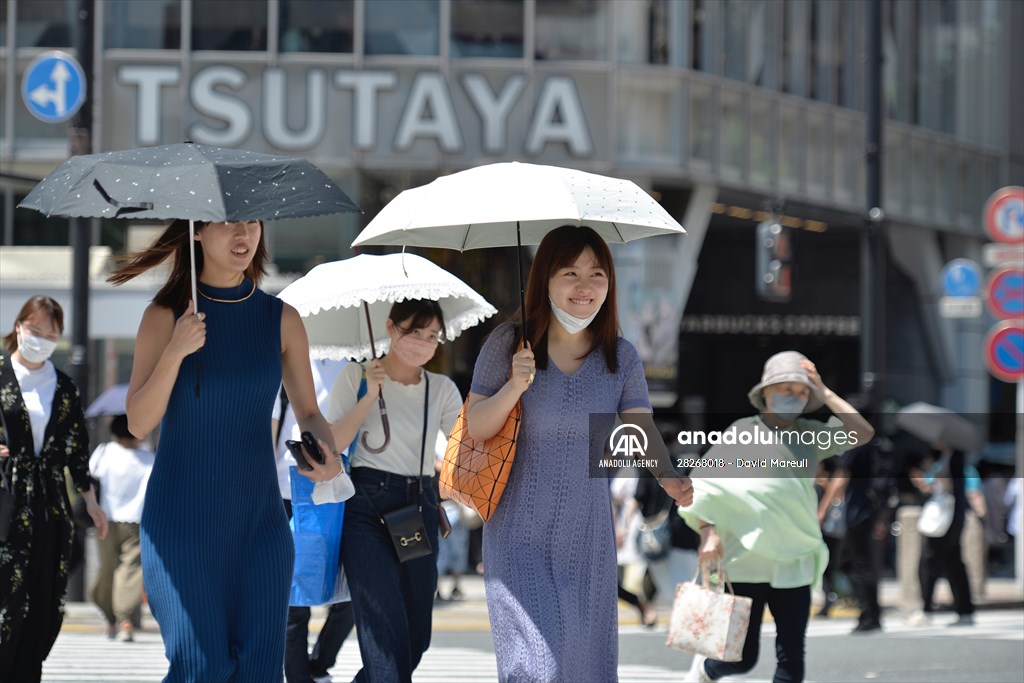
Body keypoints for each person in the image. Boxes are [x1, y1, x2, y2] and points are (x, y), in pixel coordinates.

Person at [108, 220, 342, 682]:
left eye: (252, 223)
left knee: (257, 672)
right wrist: (176, 351)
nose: (244, 234)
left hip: (259, 524)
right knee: (203, 667)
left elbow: (310, 413)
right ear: (196, 231)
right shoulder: (164, 316)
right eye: (228, 222)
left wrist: (327, 457)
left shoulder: (281, 317)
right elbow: (138, 421)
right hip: (181, 522)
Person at [464, 225, 692, 682]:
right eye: (570, 272)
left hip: (586, 536)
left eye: (597, 273)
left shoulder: (620, 357)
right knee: (537, 668)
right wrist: (515, 385)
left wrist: (668, 476)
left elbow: (640, 425)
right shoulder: (507, 346)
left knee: (582, 666)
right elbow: (476, 426)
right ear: (544, 279)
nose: (585, 286)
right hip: (516, 533)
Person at [680, 350, 874, 683]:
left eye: (801, 392)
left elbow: (862, 432)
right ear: (765, 393)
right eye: (785, 388)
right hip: (746, 562)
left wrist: (825, 393)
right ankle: (706, 668)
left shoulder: (811, 435)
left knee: (791, 658)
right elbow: (702, 488)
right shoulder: (740, 431)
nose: (793, 397)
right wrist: (708, 533)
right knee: (741, 659)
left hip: (795, 561)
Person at [326, 299, 463, 683]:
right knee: (382, 622)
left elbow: (463, 444)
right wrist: (370, 394)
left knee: (416, 633)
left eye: (432, 335)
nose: (423, 342)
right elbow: (333, 442)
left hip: (416, 507)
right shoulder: (355, 377)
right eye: (414, 332)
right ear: (390, 328)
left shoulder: (441, 388)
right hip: (365, 506)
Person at [0, 295, 108, 682]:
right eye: (35, 329)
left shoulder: (63, 387)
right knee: (6, 597)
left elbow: (77, 451)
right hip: (5, 499)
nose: (42, 338)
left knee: (44, 599)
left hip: (48, 503)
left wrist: (92, 502)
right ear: (18, 327)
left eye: (51, 333)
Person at [272, 357, 355, 683]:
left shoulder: (357, 367)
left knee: (351, 588)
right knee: (293, 595)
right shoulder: (284, 366)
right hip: (285, 491)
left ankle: (320, 662)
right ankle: (297, 674)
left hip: (339, 491)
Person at [88, 413, 155, 642]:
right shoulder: (148, 457)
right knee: (130, 570)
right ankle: (124, 618)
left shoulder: (104, 452)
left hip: (104, 519)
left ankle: (109, 618)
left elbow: (89, 478)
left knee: (107, 569)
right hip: (135, 521)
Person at [909, 447, 976, 626]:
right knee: (953, 564)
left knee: (929, 563)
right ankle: (964, 610)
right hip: (949, 517)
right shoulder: (947, 458)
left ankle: (926, 609)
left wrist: (935, 473)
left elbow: (951, 487)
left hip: (948, 519)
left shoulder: (954, 459)